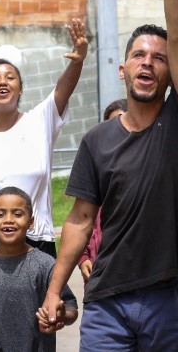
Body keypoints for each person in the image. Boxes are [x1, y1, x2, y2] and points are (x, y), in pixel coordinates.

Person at [42, 0, 178, 349]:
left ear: (171, 75)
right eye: (139, 56)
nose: (148, 62)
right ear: (123, 70)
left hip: (171, 301)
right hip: (107, 304)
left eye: (159, 58)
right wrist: (54, 290)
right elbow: (79, 220)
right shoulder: (97, 140)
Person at [0, 19, 88, 278]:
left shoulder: (39, 122)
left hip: (34, 237)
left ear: (20, 88)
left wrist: (76, 62)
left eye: (10, 78)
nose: (3, 82)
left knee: (36, 312)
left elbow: (62, 91)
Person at [0, 186, 78, 352]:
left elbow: (71, 306)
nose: (8, 219)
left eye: (17, 213)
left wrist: (61, 316)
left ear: (31, 222)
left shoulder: (45, 264)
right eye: (0, 214)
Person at [76, 98, 127, 284]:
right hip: (98, 280)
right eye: (112, 126)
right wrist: (83, 260)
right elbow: (80, 220)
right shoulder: (96, 170)